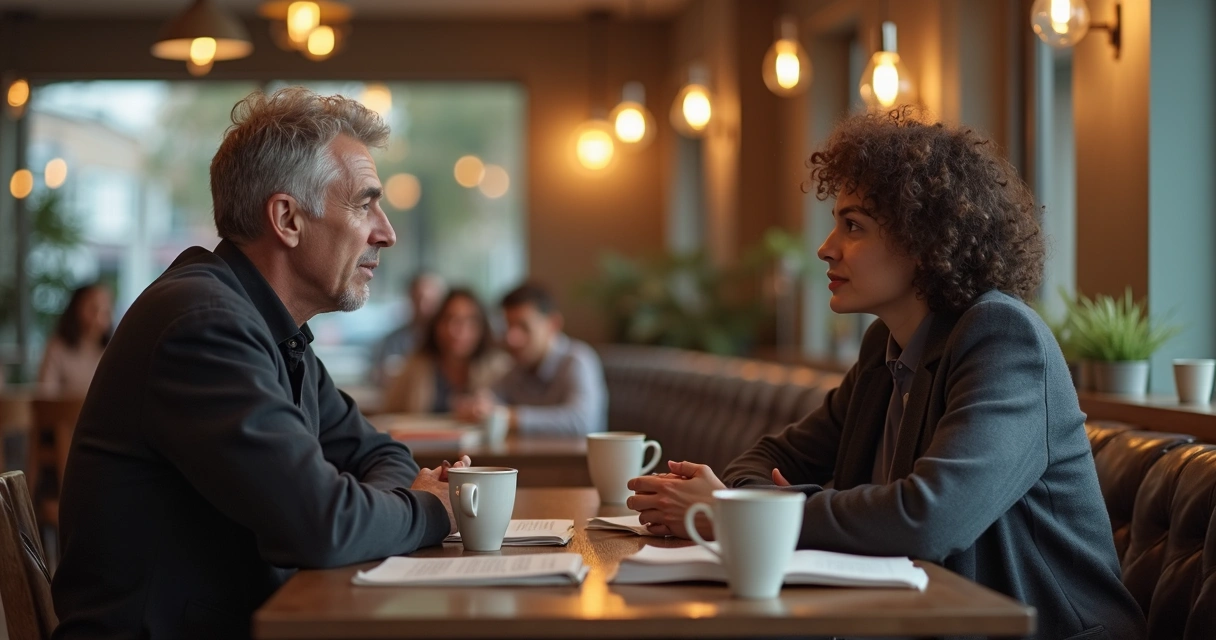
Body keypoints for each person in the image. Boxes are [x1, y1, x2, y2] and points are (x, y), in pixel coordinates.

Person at [626, 108, 1145, 639]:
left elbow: (930, 517)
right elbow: (770, 457)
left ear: (925, 241)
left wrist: (739, 515)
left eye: (853, 226)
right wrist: (745, 506)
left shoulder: (1002, 338)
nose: (826, 248)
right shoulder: (885, 346)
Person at [52, 88, 466, 640]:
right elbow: (321, 526)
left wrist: (392, 498)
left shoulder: (269, 328)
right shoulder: (203, 325)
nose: (385, 232)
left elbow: (378, 453)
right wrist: (430, 508)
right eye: (365, 204)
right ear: (287, 218)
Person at [454, 282, 607, 436]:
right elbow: (491, 400)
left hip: (571, 460)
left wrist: (509, 417)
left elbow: (582, 423)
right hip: (527, 458)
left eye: (524, 327)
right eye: (508, 327)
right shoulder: (517, 367)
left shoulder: (578, 360)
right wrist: (477, 406)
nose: (511, 338)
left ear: (553, 324)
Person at [383, 288, 511, 414]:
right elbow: (389, 414)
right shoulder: (416, 367)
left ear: (482, 327)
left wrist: (492, 410)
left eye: (469, 321)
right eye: (449, 319)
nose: (457, 330)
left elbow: (516, 414)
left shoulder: (500, 370)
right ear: (436, 325)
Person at [370, 271, 447, 387]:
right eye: (418, 298)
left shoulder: (448, 340)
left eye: (429, 300)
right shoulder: (393, 341)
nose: (422, 305)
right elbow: (377, 374)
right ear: (410, 297)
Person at [37, 283, 113, 397]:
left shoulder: (113, 349)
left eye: (105, 311)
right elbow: (46, 395)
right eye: (93, 309)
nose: (99, 317)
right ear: (76, 309)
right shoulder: (57, 348)